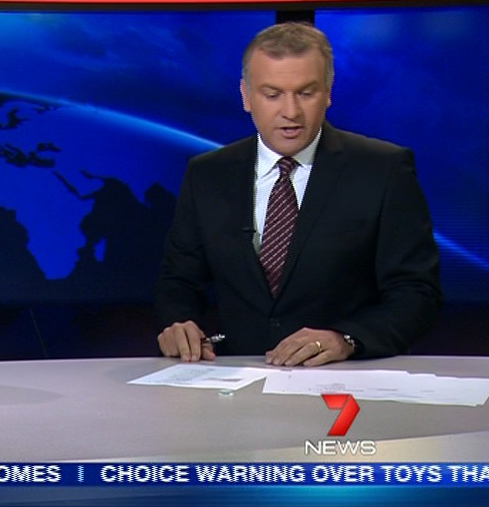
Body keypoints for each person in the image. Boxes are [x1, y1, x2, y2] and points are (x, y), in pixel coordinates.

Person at [155, 21, 441, 367]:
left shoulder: (384, 169)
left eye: (306, 93)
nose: (291, 112)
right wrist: (178, 324)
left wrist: (347, 339)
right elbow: (180, 282)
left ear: (328, 92)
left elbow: (416, 293)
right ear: (246, 96)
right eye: (272, 94)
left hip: (346, 376)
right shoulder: (208, 174)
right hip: (236, 378)